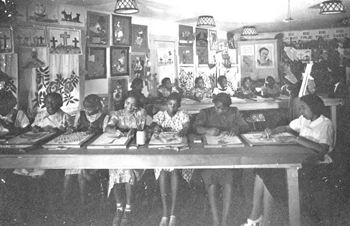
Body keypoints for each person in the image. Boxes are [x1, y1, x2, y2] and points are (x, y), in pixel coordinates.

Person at [241, 94, 334, 226]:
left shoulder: (326, 124)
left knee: (268, 175)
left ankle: (262, 220)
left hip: (317, 167)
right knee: (262, 171)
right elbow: (286, 127)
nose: (300, 112)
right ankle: (256, 216)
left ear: (315, 108)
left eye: (303, 108)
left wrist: (296, 139)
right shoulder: (304, 119)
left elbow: (322, 149)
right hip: (301, 161)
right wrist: (272, 131)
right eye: (300, 108)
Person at [194, 93, 250, 226]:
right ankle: (216, 221)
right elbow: (195, 127)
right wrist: (207, 131)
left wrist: (237, 128)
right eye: (217, 107)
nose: (219, 110)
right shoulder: (205, 112)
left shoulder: (234, 112)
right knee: (212, 184)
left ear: (228, 107)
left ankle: (224, 222)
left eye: (223, 109)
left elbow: (246, 126)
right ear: (213, 104)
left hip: (228, 158)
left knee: (228, 182)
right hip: (210, 158)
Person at [149, 92, 192, 226]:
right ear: (166, 104)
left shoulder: (182, 114)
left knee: (173, 171)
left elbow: (186, 126)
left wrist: (184, 130)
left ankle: (172, 214)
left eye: (175, 105)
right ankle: (164, 213)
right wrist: (155, 128)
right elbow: (151, 125)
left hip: (178, 151)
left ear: (179, 105)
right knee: (162, 171)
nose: (172, 107)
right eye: (170, 104)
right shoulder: (160, 115)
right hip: (162, 150)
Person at [106, 94, 147, 226]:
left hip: (135, 151)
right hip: (119, 148)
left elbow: (145, 127)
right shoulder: (117, 114)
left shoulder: (140, 113)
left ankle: (128, 208)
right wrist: (116, 131)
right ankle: (119, 207)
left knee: (128, 171)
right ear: (124, 102)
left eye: (133, 104)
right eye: (127, 103)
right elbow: (108, 127)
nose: (129, 106)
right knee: (115, 171)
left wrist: (134, 131)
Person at [63, 94, 109, 208]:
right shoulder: (81, 114)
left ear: (98, 107)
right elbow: (76, 127)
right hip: (80, 149)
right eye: (85, 108)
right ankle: (65, 202)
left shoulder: (104, 117)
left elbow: (106, 135)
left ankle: (84, 202)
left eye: (90, 108)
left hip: (94, 153)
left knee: (81, 172)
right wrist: (71, 129)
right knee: (68, 173)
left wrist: (97, 131)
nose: (87, 110)